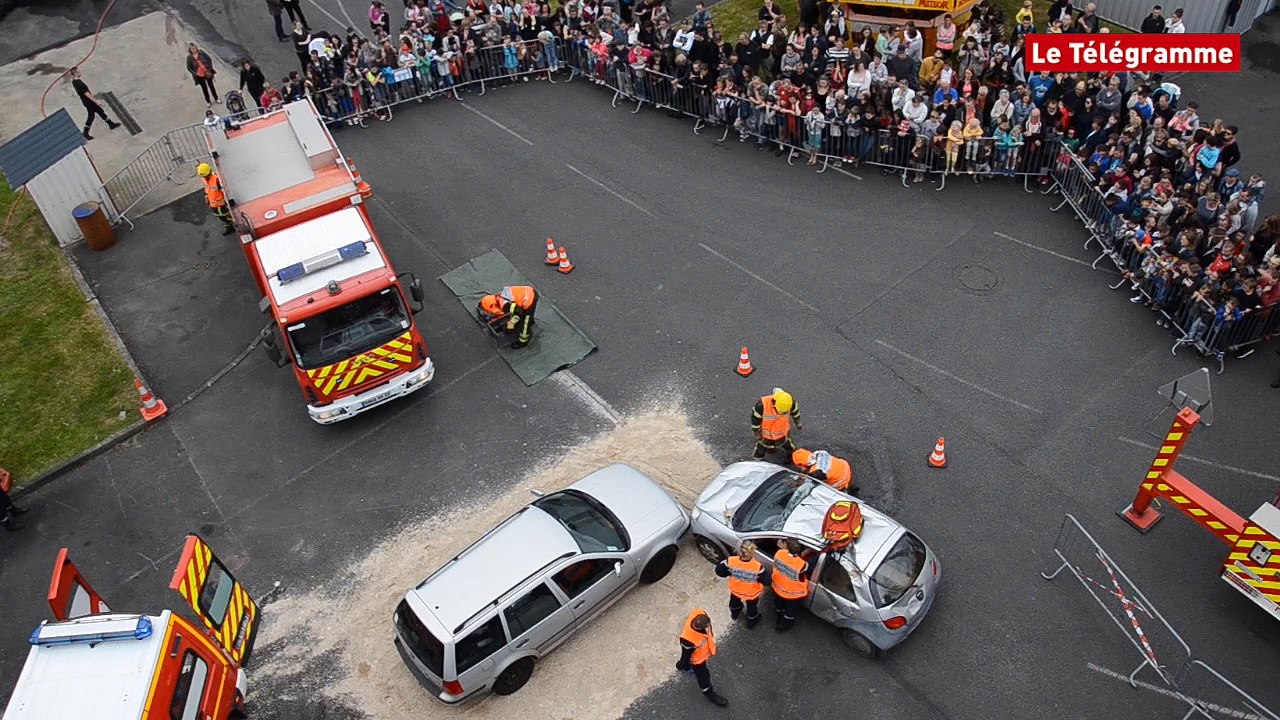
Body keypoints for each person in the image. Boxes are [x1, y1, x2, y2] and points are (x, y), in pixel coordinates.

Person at [676, 609, 728, 707]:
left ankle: (681, 665)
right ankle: (709, 693)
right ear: (699, 627)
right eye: (707, 626)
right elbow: (686, 654)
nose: (709, 627)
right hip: (698, 660)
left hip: (701, 653)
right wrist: (686, 665)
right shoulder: (688, 639)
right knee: (704, 676)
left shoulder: (698, 612)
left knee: (683, 662)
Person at [714, 542, 769, 629]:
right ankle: (751, 622)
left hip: (736, 590)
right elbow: (767, 581)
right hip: (751, 594)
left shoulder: (731, 561)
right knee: (752, 608)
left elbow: (719, 571)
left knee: (734, 603)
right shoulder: (757, 567)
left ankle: (735, 614)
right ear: (752, 553)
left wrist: (730, 573)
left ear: (739, 551)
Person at [771, 538, 816, 632]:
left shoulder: (779, 553)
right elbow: (810, 565)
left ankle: (778, 616)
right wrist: (816, 555)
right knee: (790, 613)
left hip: (778, 588)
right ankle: (783, 626)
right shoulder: (801, 564)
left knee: (778, 605)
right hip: (793, 594)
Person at [68, 67, 121, 140]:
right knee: (92, 116)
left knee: (100, 112)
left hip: (86, 101)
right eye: (79, 71)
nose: (80, 72)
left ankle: (110, 124)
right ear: (76, 73)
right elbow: (86, 93)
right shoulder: (79, 83)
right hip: (89, 102)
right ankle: (86, 132)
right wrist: (96, 101)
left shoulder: (74, 82)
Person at [751, 388, 801, 459]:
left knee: (790, 448)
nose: (782, 414)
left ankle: (793, 458)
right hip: (765, 437)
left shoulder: (789, 402)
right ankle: (757, 462)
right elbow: (755, 421)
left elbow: (795, 413)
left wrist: (798, 423)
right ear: (774, 403)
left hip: (782, 435)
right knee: (760, 451)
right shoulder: (762, 405)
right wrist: (756, 434)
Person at [197, 163, 235, 236]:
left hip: (221, 204)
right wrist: (206, 196)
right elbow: (207, 188)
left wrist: (227, 201)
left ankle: (234, 225)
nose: (204, 177)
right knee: (221, 217)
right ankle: (229, 227)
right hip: (213, 204)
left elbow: (224, 191)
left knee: (227, 216)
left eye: (205, 176)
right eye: (203, 176)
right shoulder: (204, 179)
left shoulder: (216, 179)